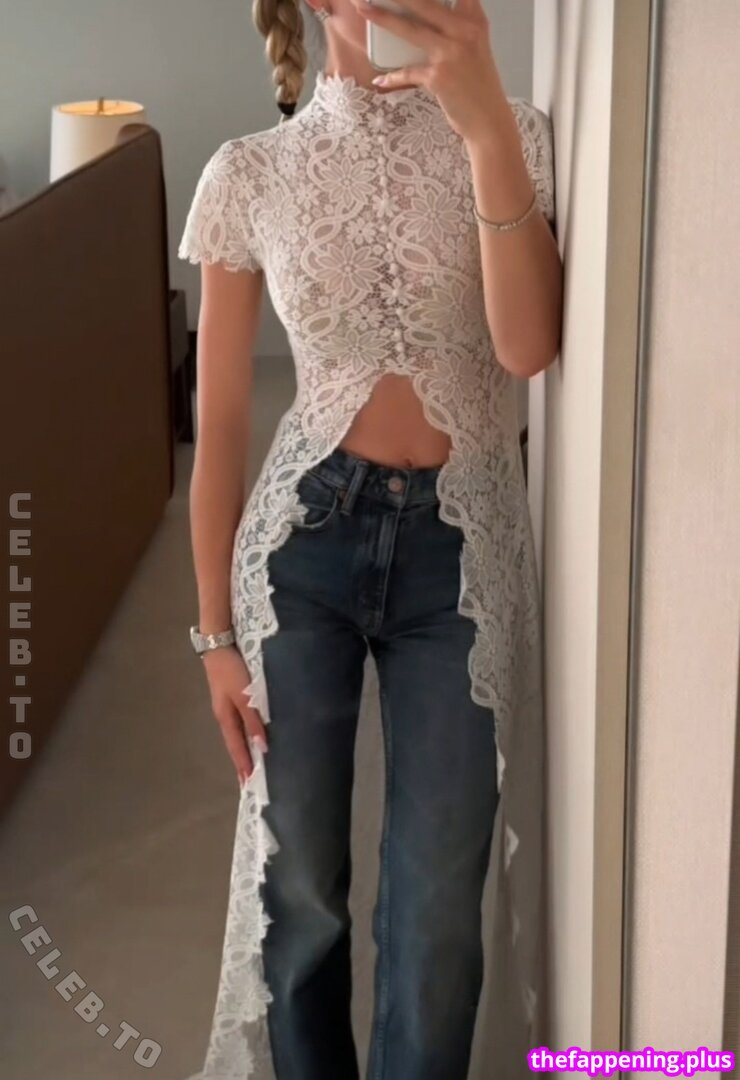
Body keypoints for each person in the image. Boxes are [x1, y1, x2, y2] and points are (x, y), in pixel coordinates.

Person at [178, 0, 563, 1074]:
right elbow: (218, 429)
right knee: (300, 890)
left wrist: (482, 125)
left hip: (462, 550)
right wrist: (212, 635)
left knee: (437, 907)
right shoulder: (249, 173)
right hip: (302, 547)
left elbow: (526, 347)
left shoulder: (517, 133)